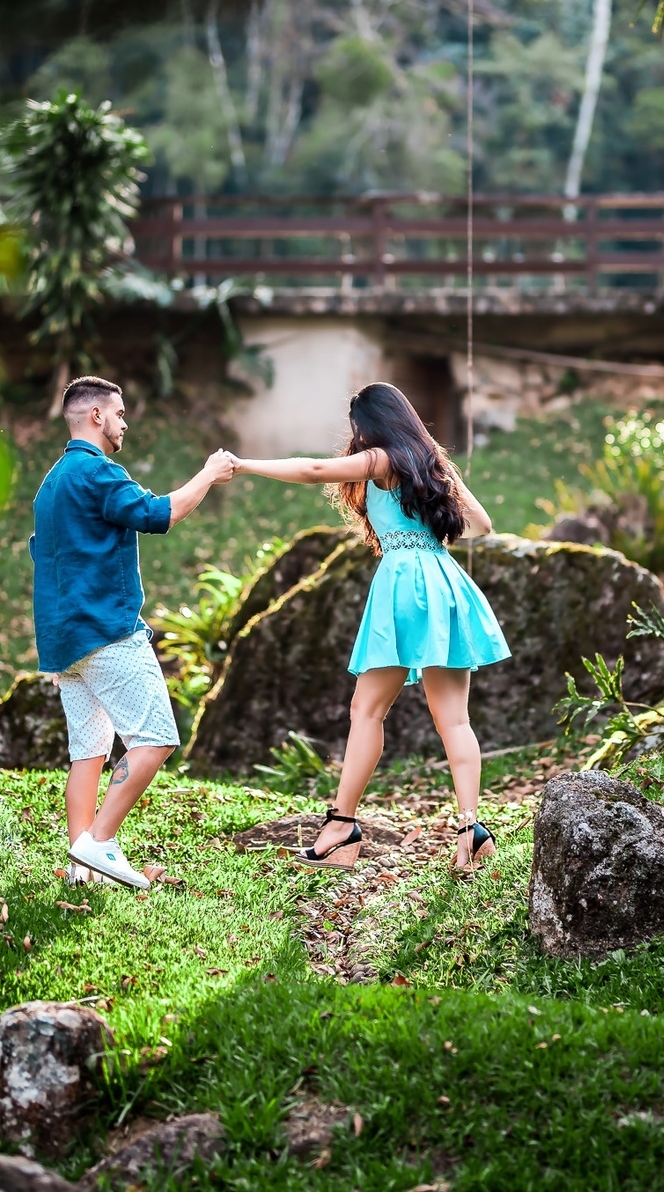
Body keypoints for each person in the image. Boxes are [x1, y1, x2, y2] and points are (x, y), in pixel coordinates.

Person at [220, 382, 510, 874]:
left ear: (370, 425)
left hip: (403, 585)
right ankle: (470, 829)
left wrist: (245, 465)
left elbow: (314, 469)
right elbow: (482, 525)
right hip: (443, 582)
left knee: (367, 709)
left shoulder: (381, 459)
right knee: (455, 721)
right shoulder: (434, 463)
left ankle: (341, 825)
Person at [31, 375, 234, 890]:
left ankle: (82, 869)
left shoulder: (51, 483)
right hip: (107, 633)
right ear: (96, 416)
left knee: (89, 751)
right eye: (119, 414)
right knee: (156, 739)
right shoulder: (98, 474)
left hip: (65, 642)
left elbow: (43, 558)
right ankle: (98, 842)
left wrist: (55, 651)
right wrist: (209, 473)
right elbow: (159, 514)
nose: (124, 423)